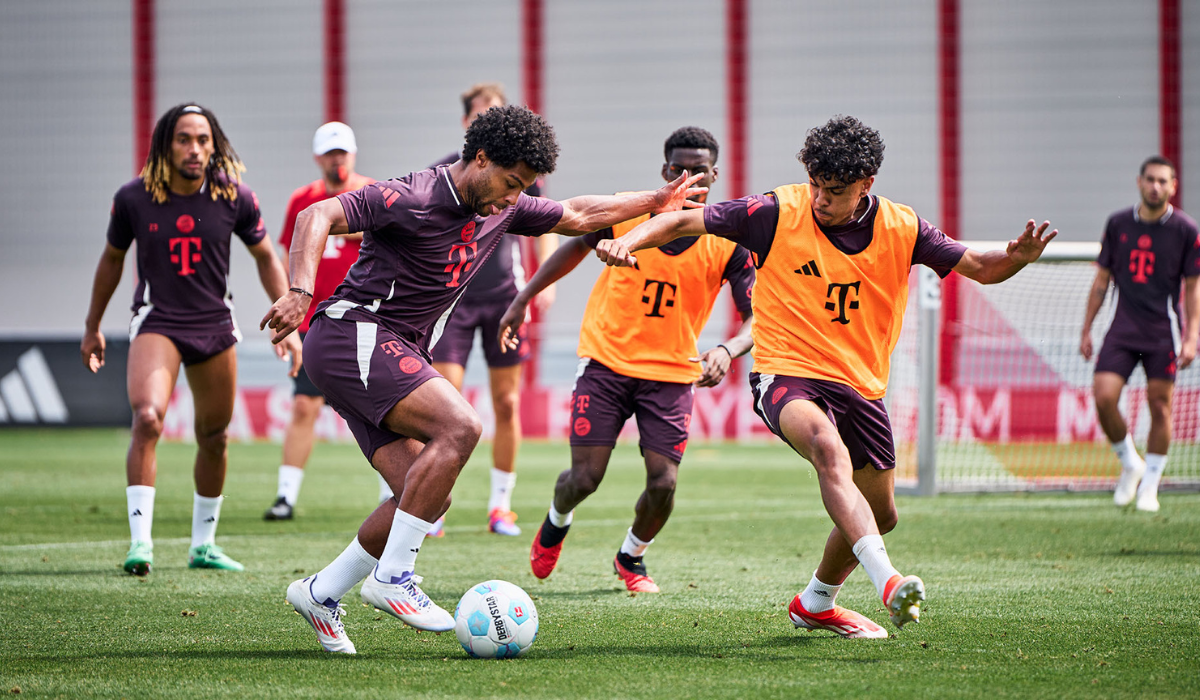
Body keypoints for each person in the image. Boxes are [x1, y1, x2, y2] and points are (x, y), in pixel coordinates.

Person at [261, 104, 706, 654]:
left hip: (383, 348)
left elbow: (579, 212)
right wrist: (301, 290)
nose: (511, 198)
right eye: (509, 183)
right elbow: (315, 216)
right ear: (480, 158)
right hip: (354, 332)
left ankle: (320, 592)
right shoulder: (415, 194)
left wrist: (655, 201)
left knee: (426, 495)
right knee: (462, 426)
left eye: (522, 189)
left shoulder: (505, 206)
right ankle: (392, 578)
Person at [593, 115, 1056, 638]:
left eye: (833, 191)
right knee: (826, 449)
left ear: (867, 185)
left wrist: (1014, 259)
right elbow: (679, 222)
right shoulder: (774, 210)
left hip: (860, 385)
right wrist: (629, 240)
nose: (818, 199)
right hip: (786, 372)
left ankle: (815, 603)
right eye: (814, 184)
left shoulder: (904, 227)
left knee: (880, 514)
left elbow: (980, 265)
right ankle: (889, 583)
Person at [499, 126, 755, 592]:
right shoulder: (628, 212)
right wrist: (523, 301)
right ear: (664, 170)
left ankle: (631, 556)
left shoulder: (729, 239)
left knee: (664, 484)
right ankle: (557, 521)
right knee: (584, 478)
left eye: (698, 170)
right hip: (606, 361)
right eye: (678, 168)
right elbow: (572, 245)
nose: (687, 177)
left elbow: (756, 319)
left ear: (714, 175)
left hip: (672, 373)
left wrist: (727, 349)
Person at [82, 103, 302, 576]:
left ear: (215, 145)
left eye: (203, 140)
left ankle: (203, 546)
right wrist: (92, 325)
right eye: (184, 139)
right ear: (165, 144)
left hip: (215, 328)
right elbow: (112, 261)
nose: (195, 149)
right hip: (158, 322)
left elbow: (265, 257)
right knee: (147, 418)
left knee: (215, 437)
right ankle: (140, 543)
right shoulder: (133, 199)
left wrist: (289, 318)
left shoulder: (235, 197)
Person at [425, 83, 559, 538]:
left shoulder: (523, 175)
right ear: (468, 124)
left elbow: (550, 222)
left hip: (504, 296)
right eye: (484, 115)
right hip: (454, 300)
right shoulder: (443, 172)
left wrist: (545, 279)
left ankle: (500, 506)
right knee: (446, 404)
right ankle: (433, 505)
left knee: (506, 402)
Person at [263, 122, 392, 520]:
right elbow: (291, 253)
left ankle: (393, 494)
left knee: (387, 409)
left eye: (344, 153)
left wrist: (335, 223)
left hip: (369, 317)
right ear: (319, 158)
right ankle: (285, 496)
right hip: (316, 322)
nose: (338, 160)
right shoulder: (303, 199)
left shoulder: (373, 193)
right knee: (304, 405)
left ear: (353, 154)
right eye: (331, 154)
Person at [1080, 156, 1200, 512]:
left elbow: (1192, 289)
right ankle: (1131, 463)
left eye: (1163, 181)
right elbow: (1101, 281)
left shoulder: (1186, 230)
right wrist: (1086, 328)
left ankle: (1150, 485)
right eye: (1150, 179)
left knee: (1160, 407)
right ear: (1139, 182)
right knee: (1103, 397)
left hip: (1163, 330)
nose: (1155, 186)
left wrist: (1192, 336)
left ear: (1173, 186)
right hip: (1122, 328)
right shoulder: (1118, 224)